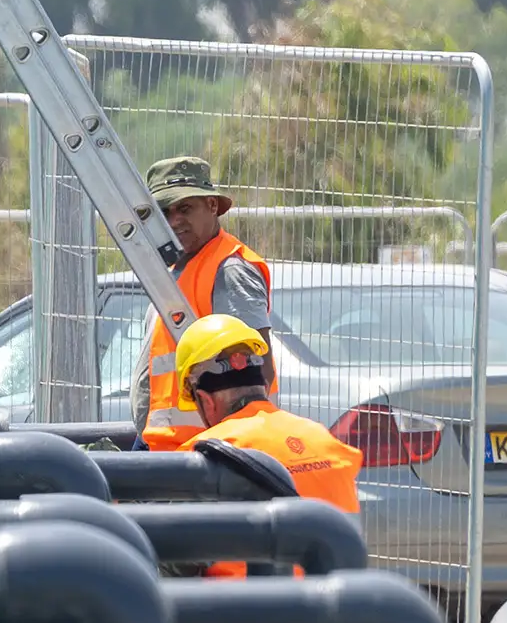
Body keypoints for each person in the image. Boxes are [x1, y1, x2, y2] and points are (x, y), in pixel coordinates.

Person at [132, 155, 273, 450]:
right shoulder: (176, 270)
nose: (174, 221)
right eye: (164, 212)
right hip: (171, 447)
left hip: (208, 452)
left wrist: (230, 451)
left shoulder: (228, 269)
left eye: (185, 208)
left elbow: (257, 371)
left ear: (211, 206)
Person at [175, 314, 359, 517]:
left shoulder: (205, 453)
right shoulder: (320, 436)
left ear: (206, 401)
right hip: (343, 547)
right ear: (262, 385)